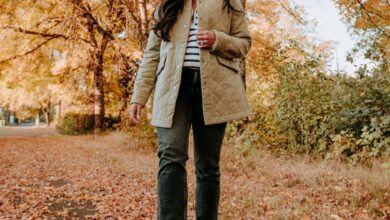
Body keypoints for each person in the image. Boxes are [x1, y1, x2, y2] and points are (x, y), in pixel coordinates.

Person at [129, 0, 251, 219]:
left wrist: (217, 39)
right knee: (170, 157)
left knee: (208, 166)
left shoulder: (228, 2)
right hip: (172, 89)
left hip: (215, 89)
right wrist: (139, 96)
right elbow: (152, 53)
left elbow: (244, 44)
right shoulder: (166, 5)